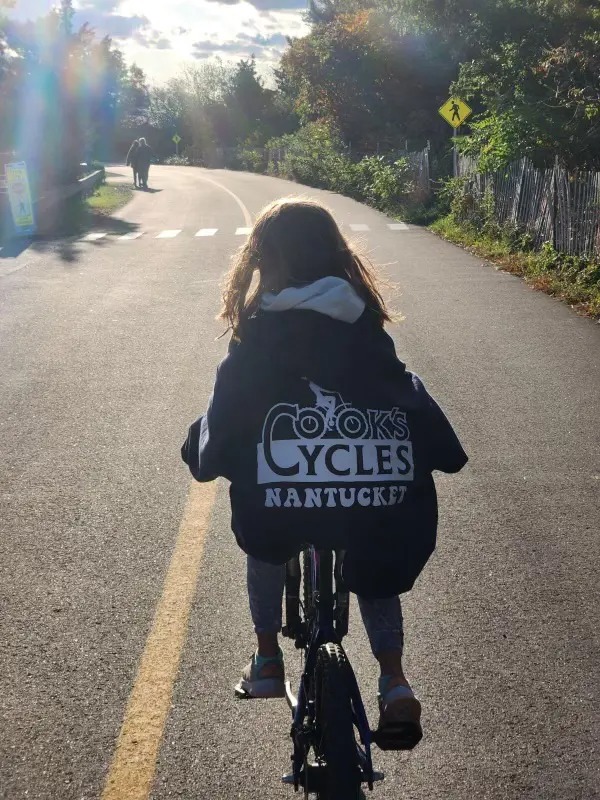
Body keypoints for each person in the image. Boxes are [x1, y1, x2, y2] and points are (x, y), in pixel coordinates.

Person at [181, 198, 467, 745]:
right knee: (376, 546)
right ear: (338, 256)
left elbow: (224, 421)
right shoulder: (362, 324)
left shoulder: (256, 336)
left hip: (280, 509)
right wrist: (439, 448)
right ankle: (395, 680)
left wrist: (203, 450)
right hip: (378, 504)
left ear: (263, 260)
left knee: (265, 540)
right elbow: (403, 394)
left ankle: (267, 658)